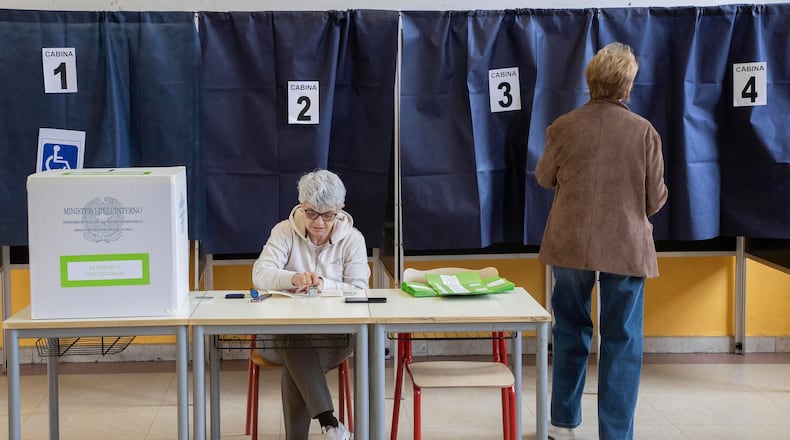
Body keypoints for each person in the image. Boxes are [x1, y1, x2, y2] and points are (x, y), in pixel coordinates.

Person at [535, 42, 668, 440]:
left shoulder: (563, 125)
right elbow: (655, 198)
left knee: (570, 329)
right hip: (626, 246)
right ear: (627, 87)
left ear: (590, 81)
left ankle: (562, 423)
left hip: (570, 243)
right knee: (622, 340)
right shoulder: (644, 131)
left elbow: (543, 177)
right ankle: (615, 433)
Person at [252, 169, 370, 440]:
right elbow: (260, 274)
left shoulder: (353, 240)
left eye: (328, 215)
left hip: (333, 339)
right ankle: (329, 424)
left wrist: (325, 284)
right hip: (280, 337)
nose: (318, 222)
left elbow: (360, 289)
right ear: (301, 206)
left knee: (296, 360)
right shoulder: (283, 231)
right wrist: (292, 277)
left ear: (341, 209)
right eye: (311, 213)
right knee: (293, 339)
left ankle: (327, 426)